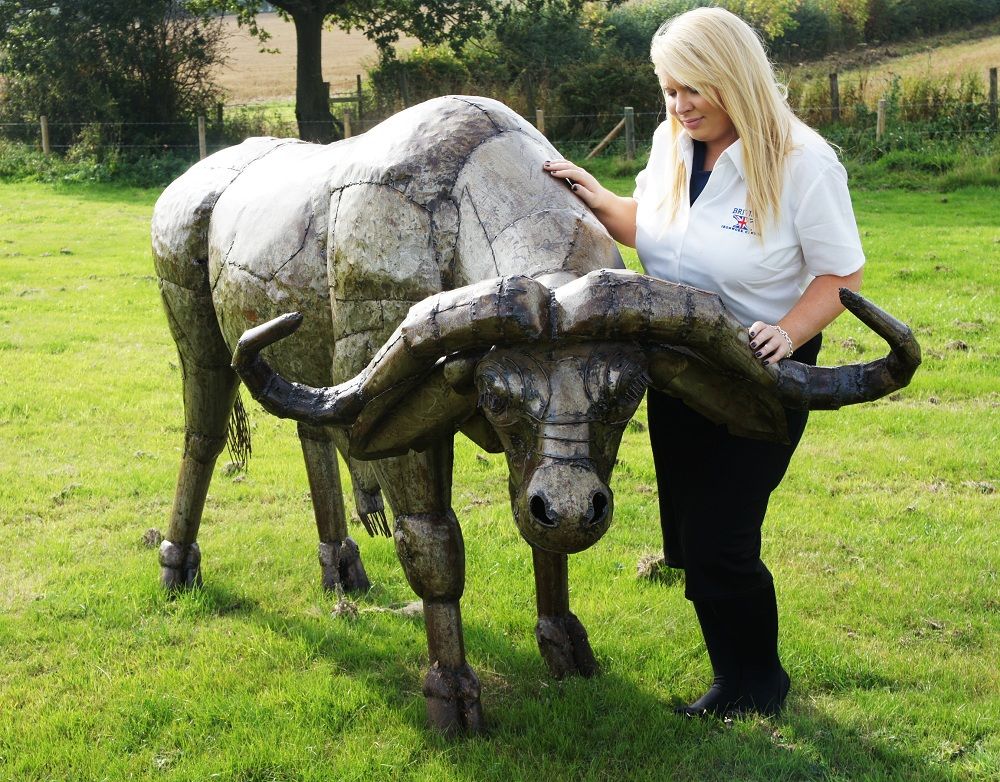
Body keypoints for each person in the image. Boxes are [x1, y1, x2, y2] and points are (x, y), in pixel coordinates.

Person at [542, 6, 865, 717]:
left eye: (693, 89)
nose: (679, 105)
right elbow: (662, 233)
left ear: (734, 79)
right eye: (668, 89)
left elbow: (841, 276)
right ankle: (735, 680)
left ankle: (761, 686)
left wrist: (787, 332)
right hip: (677, 365)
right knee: (690, 539)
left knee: (723, 538)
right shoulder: (671, 142)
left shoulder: (803, 162)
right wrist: (601, 200)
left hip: (760, 368)